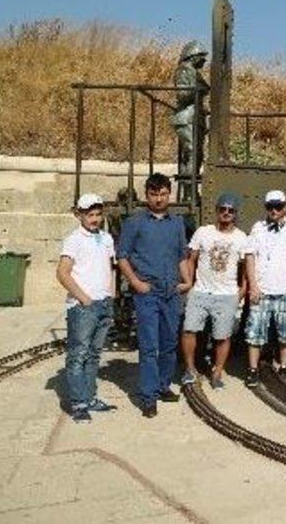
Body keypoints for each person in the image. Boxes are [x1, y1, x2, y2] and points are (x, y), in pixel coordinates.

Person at [116, 173, 191, 418]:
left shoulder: (177, 223)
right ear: (147, 195)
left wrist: (188, 280)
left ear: (170, 194)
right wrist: (135, 283)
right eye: (154, 194)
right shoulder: (135, 223)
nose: (159, 199)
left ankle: (162, 386)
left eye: (163, 194)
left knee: (169, 344)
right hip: (148, 293)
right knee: (149, 347)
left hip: (171, 293)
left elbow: (181, 256)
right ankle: (148, 397)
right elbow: (122, 256)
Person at [58, 193, 117, 423]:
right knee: (78, 355)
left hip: (103, 303)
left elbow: (109, 268)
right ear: (79, 215)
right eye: (90, 214)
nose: (95, 219)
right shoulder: (74, 240)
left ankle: (90, 398)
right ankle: (78, 403)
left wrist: (110, 295)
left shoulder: (106, 238)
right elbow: (62, 273)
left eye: (98, 214)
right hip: (83, 307)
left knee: (94, 355)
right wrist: (83, 298)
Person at [181, 192, 250, 389]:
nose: (226, 213)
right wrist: (189, 284)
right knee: (189, 330)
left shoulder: (241, 237)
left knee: (222, 336)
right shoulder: (203, 232)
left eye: (230, 210)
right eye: (223, 209)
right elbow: (191, 259)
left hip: (227, 294)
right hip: (201, 291)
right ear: (217, 210)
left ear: (235, 213)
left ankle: (217, 372)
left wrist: (242, 290)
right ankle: (190, 369)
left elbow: (245, 267)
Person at [244, 190, 286, 388]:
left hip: (283, 288)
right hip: (262, 288)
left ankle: (284, 366)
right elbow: (250, 257)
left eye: (278, 206)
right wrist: (253, 285)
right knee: (255, 331)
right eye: (270, 207)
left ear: (285, 207)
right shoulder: (258, 228)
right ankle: (253, 369)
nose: (274, 210)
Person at [172, 41, 208, 200]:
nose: (204, 60)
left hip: (194, 117)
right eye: (201, 57)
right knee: (192, 152)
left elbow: (205, 88)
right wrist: (198, 90)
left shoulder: (194, 72)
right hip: (186, 118)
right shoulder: (184, 70)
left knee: (197, 154)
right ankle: (188, 194)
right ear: (193, 56)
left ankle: (192, 191)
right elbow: (182, 94)